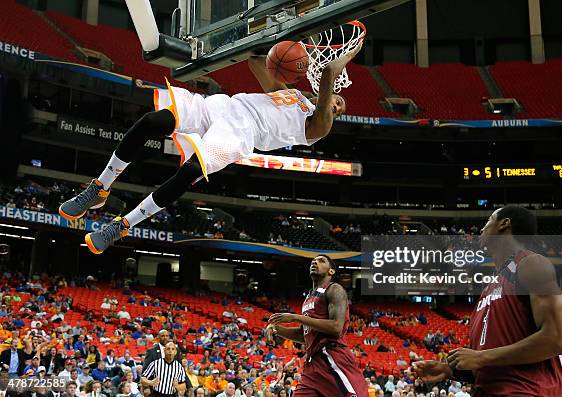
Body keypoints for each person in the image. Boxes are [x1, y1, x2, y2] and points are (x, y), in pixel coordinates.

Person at [58, 41, 362, 254]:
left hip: (240, 134)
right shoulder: (293, 95)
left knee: (190, 169)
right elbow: (257, 61)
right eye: (338, 100)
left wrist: (346, 54)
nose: (337, 104)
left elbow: (326, 83)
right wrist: (270, 41)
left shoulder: (319, 125)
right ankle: (100, 187)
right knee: (153, 121)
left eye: (340, 105)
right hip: (222, 106)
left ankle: (122, 224)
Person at [414, 206, 562, 396]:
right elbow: (491, 364)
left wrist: (481, 357)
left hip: (527, 391)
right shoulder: (490, 286)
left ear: (505, 223)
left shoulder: (531, 263)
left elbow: (556, 340)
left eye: (489, 220)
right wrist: (449, 370)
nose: (482, 228)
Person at [267, 254, 369, 397]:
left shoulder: (334, 289)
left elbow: (336, 327)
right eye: (313, 261)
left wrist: (296, 317)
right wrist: (276, 329)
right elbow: (304, 335)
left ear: (331, 271)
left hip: (332, 357)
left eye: (321, 261)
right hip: (312, 364)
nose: (315, 263)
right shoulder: (309, 298)